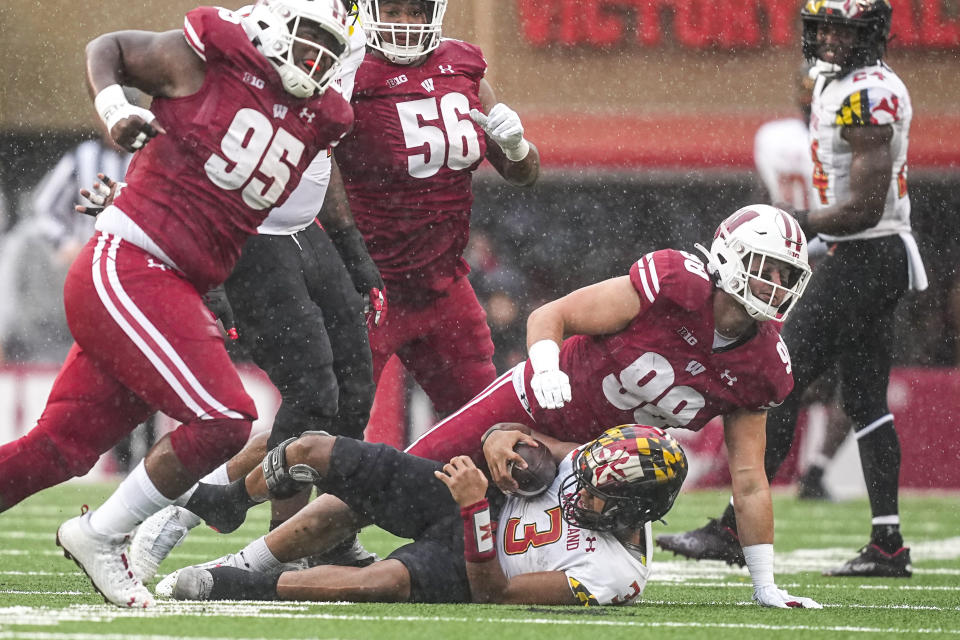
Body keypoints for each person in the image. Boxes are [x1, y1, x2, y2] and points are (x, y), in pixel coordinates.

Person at [159, 204, 822, 609]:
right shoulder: (674, 282)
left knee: (557, 553)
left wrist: (763, 582)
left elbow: (748, 476)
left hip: (591, 463)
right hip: (534, 402)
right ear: (731, 260)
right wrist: (542, 365)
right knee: (381, 484)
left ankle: (284, 561)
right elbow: (555, 314)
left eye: (787, 277)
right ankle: (247, 562)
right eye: (765, 268)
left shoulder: (763, 366)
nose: (775, 286)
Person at [0, 0, 355, 608]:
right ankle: (100, 534)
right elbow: (108, 49)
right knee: (224, 417)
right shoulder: (210, 57)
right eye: (306, 42)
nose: (315, 61)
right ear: (270, 31)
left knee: (61, 447)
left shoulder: (323, 114)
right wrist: (115, 111)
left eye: (328, 50)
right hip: (132, 262)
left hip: (177, 278)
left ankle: (100, 533)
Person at [657, 0, 926, 578]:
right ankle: (887, 544)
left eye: (840, 28)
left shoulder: (868, 92)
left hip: (867, 253)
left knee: (776, 378)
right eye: (821, 27)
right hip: (873, 256)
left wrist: (798, 221)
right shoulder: (845, 83)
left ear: (868, 34)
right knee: (866, 401)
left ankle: (733, 529)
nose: (827, 38)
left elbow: (865, 206)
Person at [118, 11, 380, 583]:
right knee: (311, 393)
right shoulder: (260, 23)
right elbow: (186, 116)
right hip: (247, 229)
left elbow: (320, 154)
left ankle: (297, 530)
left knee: (354, 392)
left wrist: (352, 249)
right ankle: (232, 515)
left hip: (304, 227)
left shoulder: (353, 37)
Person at [164, 425, 697, 606]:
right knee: (313, 451)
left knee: (379, 582)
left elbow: (496, 595)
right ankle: (230, 504)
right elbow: (514, 434)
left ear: (634, 509)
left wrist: (472, 511)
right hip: (465, 495)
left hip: (471, 561)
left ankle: (229, 583)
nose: (578, 483)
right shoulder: (590, 465)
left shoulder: (615, 575)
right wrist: (502, 444)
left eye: (598, 492)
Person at [335, 0, 540, 421]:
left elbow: (523, 174)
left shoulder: (463, 67)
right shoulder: (347, 73)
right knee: (327, 432)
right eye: (392, 11)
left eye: (416, 10)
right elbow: (319, 173)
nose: (406, 23)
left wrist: (518, 146)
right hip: (368, 290)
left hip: (443, 286)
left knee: (486, 426)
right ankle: (241, 488)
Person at [753, 65, 851, 501]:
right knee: (850, 378)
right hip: (832, 258)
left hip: (782, 263)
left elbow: (772, 195)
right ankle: (814, 470)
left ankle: (761, 473)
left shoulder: (771, 138)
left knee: (782, 374)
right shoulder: (840, 142)